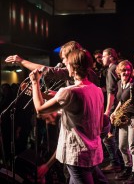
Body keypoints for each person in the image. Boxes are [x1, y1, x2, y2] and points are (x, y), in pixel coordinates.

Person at [29, 49, 106, 183]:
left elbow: (40, 110)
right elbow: (97, 124)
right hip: (93, 151)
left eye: (67, 64)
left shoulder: (68, 92)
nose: (65, 67)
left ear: (73, 67)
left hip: (77, 154)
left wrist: (35, 83)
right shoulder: (97, 90)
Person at [111, 60, 134, 184]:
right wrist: (115, 112)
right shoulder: (120, 83)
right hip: (123, 117)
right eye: (123, 70)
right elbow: (121, 100)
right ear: (119, 71)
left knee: (132, 146)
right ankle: (127, 168)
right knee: (122, 146)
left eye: (128, 70)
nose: (126, 72)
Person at [101, 47, 123, 172]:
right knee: (113, 137)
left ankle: (116, 162)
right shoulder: (116, 68)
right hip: (118, 106)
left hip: (114, 108)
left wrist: (107, 110)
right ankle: (119, 162)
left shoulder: (111, 70)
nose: (102, 59)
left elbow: (111, 93)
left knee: (108, 136)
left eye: (104, 56)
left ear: (110, 56)